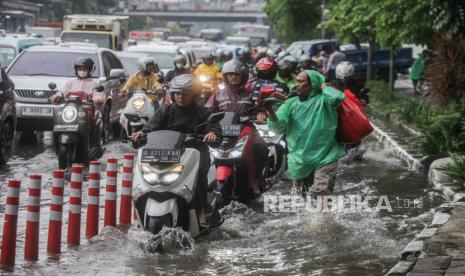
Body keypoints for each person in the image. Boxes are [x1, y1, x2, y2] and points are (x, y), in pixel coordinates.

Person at [132, 74, 219, 229]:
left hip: (194, 152)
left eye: (184, 94)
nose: (180, 97)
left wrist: (211, 134)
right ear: (172, 94)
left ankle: (200, 211)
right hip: (166, 153)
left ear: (193, 94)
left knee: (199, 175)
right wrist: (141, 133)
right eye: (177, 93)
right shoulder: (165, 110)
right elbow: (151, 127)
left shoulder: (203, 113)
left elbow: (213, 128)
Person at [266, 70, 346, 199]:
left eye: (301, 81)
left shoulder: (325, 101)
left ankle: (322, 219)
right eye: (296, 81)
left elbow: (337, 97)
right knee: (303, 198)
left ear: (313, 83)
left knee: (321, 194)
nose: (297, 84)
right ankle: (312, 219)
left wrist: (324, 86)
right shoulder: (290, 104)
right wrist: (270, 110)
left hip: (325, 156)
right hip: (300, 159)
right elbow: (278, 128)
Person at [205, 60, 269, 196]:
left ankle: (257, 180)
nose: (233, 77)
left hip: (246, 129)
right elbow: (207, 112)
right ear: (225, 76)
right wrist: (209, 127)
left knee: (262, 147)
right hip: (223, 130)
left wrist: (261, 114)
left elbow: (261, 107)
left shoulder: (252, 92)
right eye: (230, 75)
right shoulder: (218, 94)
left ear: (243, 76)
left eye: (236, 75)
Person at [50, 57, 105, 154]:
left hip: (86, 109)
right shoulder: (70, 82)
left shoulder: (94, 84)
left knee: (89, 123)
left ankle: (90, 145)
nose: (82, 71)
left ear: (90, 70)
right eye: (80, 69)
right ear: (76, 70)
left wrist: (98, 99)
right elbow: (62, 92)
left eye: (84, 69)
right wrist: (56, 96)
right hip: (71, 110)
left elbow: (98, 94)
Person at [247, 57, 289, 122]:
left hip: (275, 118)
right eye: (262, 71)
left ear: (273, 71)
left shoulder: (280, 86)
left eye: (266, 71)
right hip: (253, 118)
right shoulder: (251, 84)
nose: (264, 73)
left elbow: (285, 103)